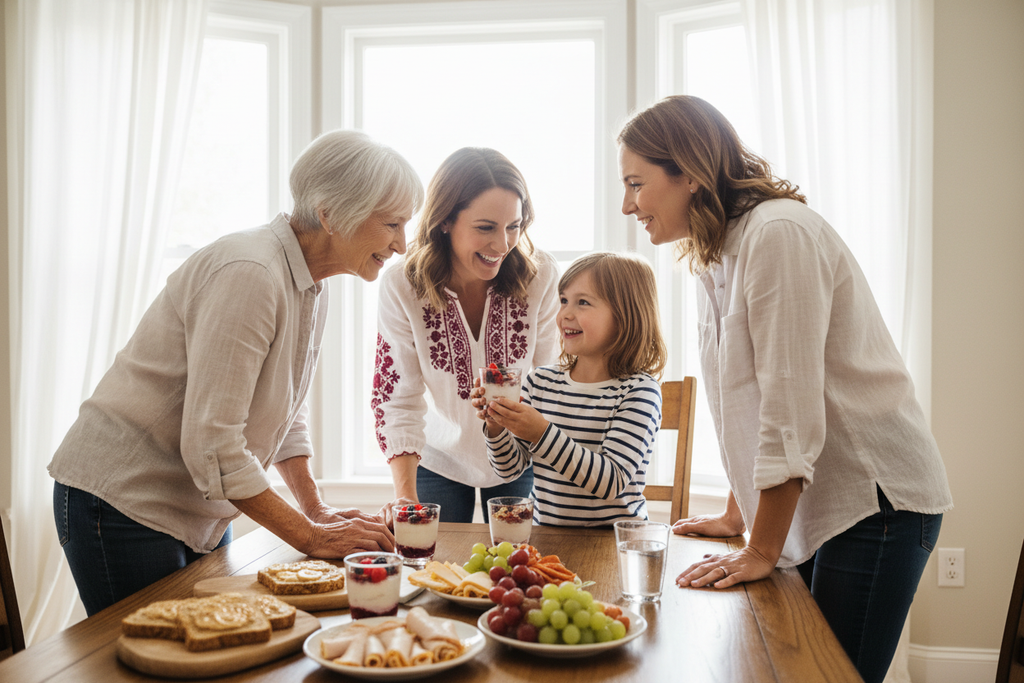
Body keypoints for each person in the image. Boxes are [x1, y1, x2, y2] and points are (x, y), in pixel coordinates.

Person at [616, 95, 952, 683]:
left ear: (689, 174)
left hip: (875, 502)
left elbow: (787, 409)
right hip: (823, 501)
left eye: (636, 184)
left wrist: (760, 548)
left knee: (823, 675)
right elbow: (740, 401)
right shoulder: (714, 253)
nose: (628, 206)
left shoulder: (778, 235)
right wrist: (736, 513)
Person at [49, 130, 423, 616]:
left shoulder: (313, 283)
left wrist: (315, 509)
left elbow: (285, 413)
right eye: (392, 223)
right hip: (123, 501)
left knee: (214, 641)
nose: (402, 245)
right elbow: (214, 444)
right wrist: (311, 536)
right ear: (331, 213)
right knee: (157, 650)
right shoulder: (252, 272)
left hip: (199, 507)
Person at [372, 147, 560, 523]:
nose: (502, 244)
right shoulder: (402, 285)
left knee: (517, 558)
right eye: (485, 228)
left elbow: (550, 382)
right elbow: (397, 399)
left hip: (519, 457)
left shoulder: (540, 276)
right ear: (444, 220)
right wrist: (405, 496)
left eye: (514, 226)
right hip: (437, 460)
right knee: (432, 557)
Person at [471, 251, 666, 525]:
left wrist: (541, 433)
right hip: (546, 539)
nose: (565, 314)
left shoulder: (639, 392)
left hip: (612, 541)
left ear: (625, 316)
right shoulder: (541, 382)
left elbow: (611, 482)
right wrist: (496, 425)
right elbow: (509, 469)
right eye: (563, 300)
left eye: (583, 302)